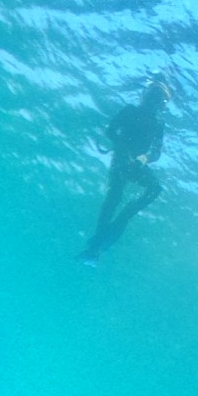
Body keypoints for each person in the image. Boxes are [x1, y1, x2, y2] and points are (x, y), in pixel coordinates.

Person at [78, 79, 171, 263]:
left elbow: (156, 152)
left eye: (159, 99)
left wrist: (144, 158)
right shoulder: (130, 111)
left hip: (136, 165)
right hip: (121, 161)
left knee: (153, 189)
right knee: (114, 197)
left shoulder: (158, 123)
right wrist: (125, 151)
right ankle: (95, 246)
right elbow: (111, 131)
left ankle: (123, 217)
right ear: (145, 96)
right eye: (153, 96)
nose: (155, 102)